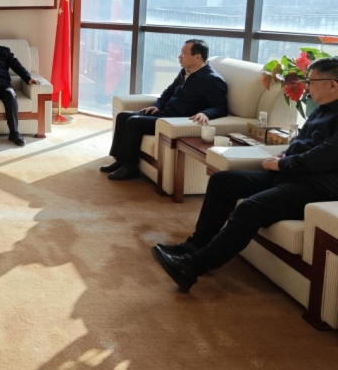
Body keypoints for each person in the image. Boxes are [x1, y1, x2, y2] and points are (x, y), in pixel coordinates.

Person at [152, 56, 338, 292]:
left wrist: (283, 164)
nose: (307, 87)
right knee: (222, 181)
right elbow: (302, 141)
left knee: (251, 208)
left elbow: (326, 155)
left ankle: (191, 267)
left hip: (316, 188)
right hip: (291, 174)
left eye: (311, 81)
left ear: (332, 85)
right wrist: (284, 155)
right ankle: (196, 245)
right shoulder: (321, 110)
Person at [102, 39, 228, 180]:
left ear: (197, 57)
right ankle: (120, 160)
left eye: (183, 53)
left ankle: (131, 167)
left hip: (174, 121)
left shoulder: (212, 79)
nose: (179, 56)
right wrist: (157, 106)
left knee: (134, 122)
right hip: (164, 113)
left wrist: (205, 113)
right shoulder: (185, 72)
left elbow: (221, 107)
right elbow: (167, 93)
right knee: (123, 116)